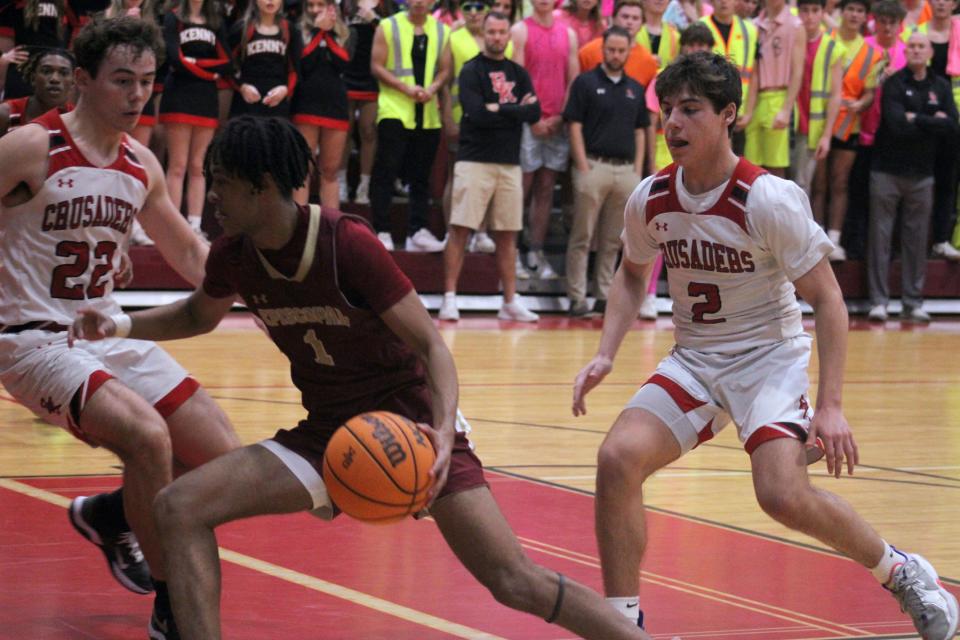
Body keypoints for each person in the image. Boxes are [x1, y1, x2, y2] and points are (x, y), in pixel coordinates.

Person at [69, 115, 657, 640]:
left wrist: (444, 436)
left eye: (221, 181)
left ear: (263, 186)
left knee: (513, 581)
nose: (212, 194)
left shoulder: (344, 242)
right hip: (325, 433)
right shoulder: (234, 254)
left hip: (410, 424)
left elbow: (432, 345)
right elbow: (198, 314)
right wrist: (120, 324)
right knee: (178, 507)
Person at [571, 51, 959, 640]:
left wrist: (829, 405)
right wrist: (606, 351)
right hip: (696, 359)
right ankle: (623, 625)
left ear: (729, 114)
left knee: (780, 494)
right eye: (668, 109)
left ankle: (901, 571)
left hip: (766, 358)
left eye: (691, 110)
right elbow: (631, 273)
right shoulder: (650, 198)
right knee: (616, 459)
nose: (673, 123)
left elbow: (829, 302)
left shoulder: (767, 199)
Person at [0, 16, 240, 639]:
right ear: (82, 80)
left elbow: (191, 258)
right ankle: (171, 604)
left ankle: (113, 513)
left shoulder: (141, 163)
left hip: (103, 334)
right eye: (122, 81)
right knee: (148, 438)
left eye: (146, 82)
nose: (137, 96)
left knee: (222, 457)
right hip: (31, 340)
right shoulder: (31, 146)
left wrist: (270, 290)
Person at [439, 11, 541, 322]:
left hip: (509, 162)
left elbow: (535, 112)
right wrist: (513, 110)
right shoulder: (471, 70)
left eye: (501, 32)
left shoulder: (518, 72)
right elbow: (475, 113)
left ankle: (509, 300)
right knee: (459, 230)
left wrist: (497, 107)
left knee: (508, 234)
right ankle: (449, 297)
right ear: (483, 34)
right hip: (474, 159)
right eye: (492, 32)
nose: (497, 37)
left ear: (509, 35)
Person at [867, 32, 958, 323]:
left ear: (930, 51)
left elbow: (952, 127)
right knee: (880, 239)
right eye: (912, 46)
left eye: (922, 46)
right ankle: (879, 302)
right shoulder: (894, 83)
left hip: (923, 175)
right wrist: (933, 120)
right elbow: (894, 124)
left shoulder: (941, 86)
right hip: (886, 171)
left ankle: (912, 302)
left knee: (916, 241)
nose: (916, 50)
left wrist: (914, 118)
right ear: (906, 51)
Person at [565, 25, 647, 318]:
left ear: (628, 51)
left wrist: (637, 170)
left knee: (614, 240)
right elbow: (573, 124)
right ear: (602, 50)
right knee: (582, 236)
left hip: (625, 172)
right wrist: (582, 165)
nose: (615, 55)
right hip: (593, 166)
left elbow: (640, 131)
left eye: (621, 50)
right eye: (610, 49)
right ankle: (576, 297)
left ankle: (602, 295)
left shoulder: (635, 88)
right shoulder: (585, 83)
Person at [369, 0, 451, 252]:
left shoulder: (441, 30)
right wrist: (405, 88)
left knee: (420, 175)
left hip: (427, 112)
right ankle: (381, 229)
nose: (419, 2)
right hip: (394, 108)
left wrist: (432, 89)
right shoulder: (388, 25)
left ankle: (418, 230)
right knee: (386, 169)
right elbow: (376, 65)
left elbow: (445, 69)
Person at [511, 0, 579, 278]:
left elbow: (573, 80)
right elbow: (516, 80)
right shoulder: (519, 31)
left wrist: (562, 116)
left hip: (557, 122)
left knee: (546, 188)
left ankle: (536, 251)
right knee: (522, 187)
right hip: (530, 122)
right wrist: (533, 117)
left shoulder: (568, 34)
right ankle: (513, 250)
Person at [811, 0, 882, 261]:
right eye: (850, 9)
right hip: (820, 122)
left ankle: (835, 240)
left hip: (849, 125)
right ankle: (814, 238)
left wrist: (860, 104)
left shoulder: (871, 52)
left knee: (840, 182)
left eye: (860, 11)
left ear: (865, 17)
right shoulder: (825, 39)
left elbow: (870, 93)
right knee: (818, 183)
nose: (854, 15)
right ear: (841, 13)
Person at [160, 0, 234, 235]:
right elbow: (174, 59)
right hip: (179, 93)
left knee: (197, 165)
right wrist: (207, 72)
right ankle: (172, 224)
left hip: (206, 97)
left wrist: (196, 64)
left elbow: (227, 63)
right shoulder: (173, 17)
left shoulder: (216, 22)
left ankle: (194, 224)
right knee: (177, 165)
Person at [291, 0, 350, 208]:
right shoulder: (297, 31)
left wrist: (329, 32)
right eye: (310, 5)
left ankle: (330, 227)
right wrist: (318, 32)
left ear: (332, 7)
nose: (315, 10)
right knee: (302, 169)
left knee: (330, 171)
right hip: (306, 104)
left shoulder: (347, 33)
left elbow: (343, 63)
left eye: (320, 5)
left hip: (336, 105)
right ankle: (298, 226)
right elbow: (303, 64)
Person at [740, 0, 805, 178]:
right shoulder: (753, 25)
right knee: (752, 167)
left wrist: (786, 109)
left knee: (776, 168)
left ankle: (777, 206)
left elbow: (797, 72)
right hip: (754, 98)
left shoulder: (796, 25)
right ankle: (754, 206)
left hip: (779, 97)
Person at [917, 0, 960, 261]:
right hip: (922, 118)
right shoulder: (917, 30)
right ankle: (917, 242)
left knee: (948, 182)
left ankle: (943, 239)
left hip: (953, 120)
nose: (942, 2)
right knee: (918, 183)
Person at [339, 0, 390, 205]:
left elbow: (394, 37)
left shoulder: (386, 6)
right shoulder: (345, 4)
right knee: (345, 130)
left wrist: (375, 20)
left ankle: (364, 185)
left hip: (372, 74)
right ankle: (341, 182)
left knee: (368, 130)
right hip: (347, 73)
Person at [790, 0, 843, 197]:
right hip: (786, 122)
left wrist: (827, 135)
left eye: (815, 10)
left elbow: (836, 94)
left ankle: (796, 228)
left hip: (811, 127)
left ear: (823, 13)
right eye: (805, 10)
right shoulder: (790, 37)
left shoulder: (832, 47)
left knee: (801, 186)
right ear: (797, 11)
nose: (810, 16)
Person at [228, 0, 303, 119]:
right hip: (246, 103)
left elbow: (295, 69)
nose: (270, 1)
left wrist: (285, 89)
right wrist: (242, 87)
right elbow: (227, 66)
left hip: (277, 104)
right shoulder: (242, 28)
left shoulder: (289, 29)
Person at [700, 0, 756, 155]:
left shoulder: (750, 30)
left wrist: (749, 111)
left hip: (739, 111)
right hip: (709, 111)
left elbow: (754, 73)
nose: (724, 2)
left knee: (738, 166)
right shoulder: (700, 26)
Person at [578, 0, 658, 89]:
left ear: (642, 24)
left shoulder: (648, 61)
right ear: (613, 18)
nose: (629, 22)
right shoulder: (588, 52)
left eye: (635, 18)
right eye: (625, 17)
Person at [0, 48, 74, 137]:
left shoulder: (79, 120)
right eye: (46, 71)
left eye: (64, 73)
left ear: (73, 82)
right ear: (33, 78)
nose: (55, 79)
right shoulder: (5, 114)